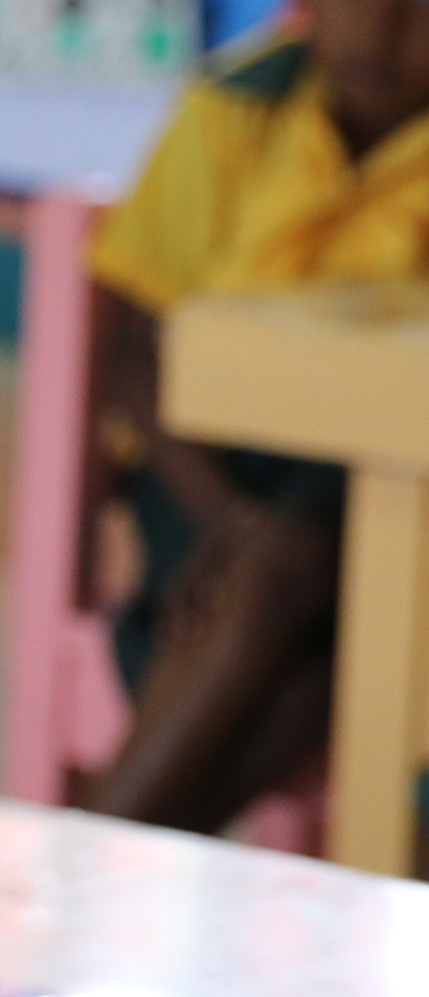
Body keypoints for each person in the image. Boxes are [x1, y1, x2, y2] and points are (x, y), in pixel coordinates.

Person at [80, 0, 429, 849]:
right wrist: (230, 524)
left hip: (383, 482)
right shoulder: (236, 108)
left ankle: (82, 865)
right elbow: (133, 351)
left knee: (320, 643)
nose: (380, 33)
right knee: (297, 595)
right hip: (202, 473)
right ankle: (85, 869)